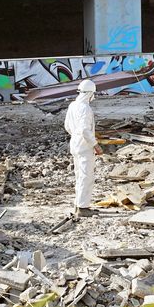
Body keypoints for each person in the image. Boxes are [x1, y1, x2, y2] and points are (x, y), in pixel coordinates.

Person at [64, 79, 101, 218]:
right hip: (84, 146)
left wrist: (75, 136)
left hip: (75, 144)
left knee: (79, 175)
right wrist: (95, 144)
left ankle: (77, 203)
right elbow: (86, 130)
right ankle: (83, 207)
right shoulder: (85, 108)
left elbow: (67, 126)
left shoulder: (72, 105)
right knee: (86, 177)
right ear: (90, 93)